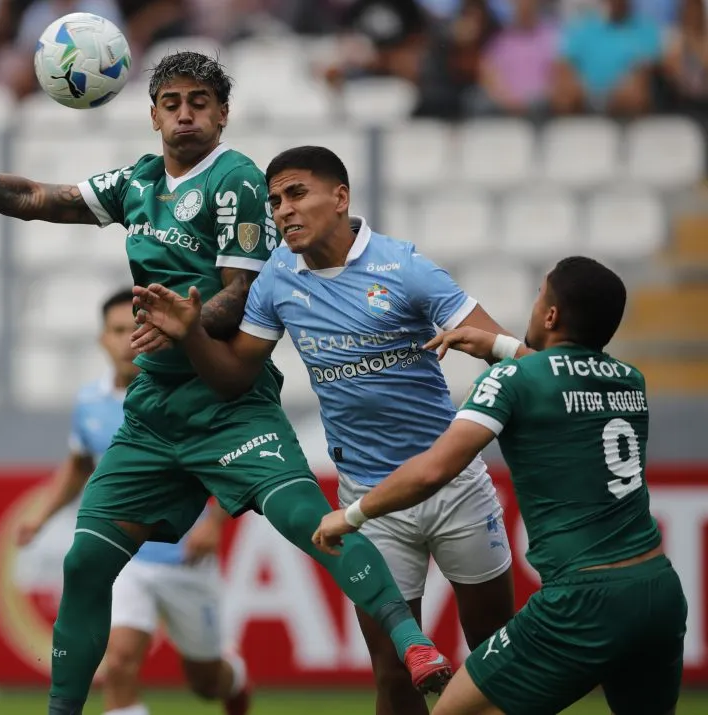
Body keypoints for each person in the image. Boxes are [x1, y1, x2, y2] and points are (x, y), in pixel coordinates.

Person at [0, 50, 451, 715]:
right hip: (154, 413)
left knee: (315, 522)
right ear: (153, 112)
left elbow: (241, 291)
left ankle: (414, 642)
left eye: (199, 101)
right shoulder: (139, 181)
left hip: (228, 402)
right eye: (172, 102)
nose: (185, 113)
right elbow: (38, 199)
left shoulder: (237, 178)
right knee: (83, 563)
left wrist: (187, 322)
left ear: (221, 113)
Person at [131, 145, 516, 715]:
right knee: (394, 675)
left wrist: (496, 362)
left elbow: (514, 364)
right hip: (369, 500)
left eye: (296, 194)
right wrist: (193, 334)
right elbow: (236, 377)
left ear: (340, 198)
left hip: (454, 487)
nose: (283, 209)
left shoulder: (404, 267)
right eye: (275, 200)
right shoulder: (276, 281)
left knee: (494, 661)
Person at [314, 256, 688, 715]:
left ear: (551, 315)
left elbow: (434, 469)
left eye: (539, 297)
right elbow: (562, 377)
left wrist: (351, 515)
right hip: (658, 590)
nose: (533, 307)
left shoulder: (510, 380)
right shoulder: (631, 380)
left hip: (583, 597)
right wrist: (501, 345)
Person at [19, 288, 251, 715]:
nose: (128, 339)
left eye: (136, 328)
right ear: (101, 339)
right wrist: (41, 516)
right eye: (118, 330)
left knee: (206, 681)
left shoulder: (184, 391)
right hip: (127, 557)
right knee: (120, 661)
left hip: (185, 559)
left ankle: (233, 678)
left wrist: (213, 523)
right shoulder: (89, 401)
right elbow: (79, 464)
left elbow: (226, 461)